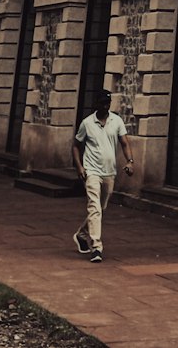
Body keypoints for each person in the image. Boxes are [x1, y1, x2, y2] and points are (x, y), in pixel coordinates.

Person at [72, 88, 134, 263]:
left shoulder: (117, 121)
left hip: (109, 172)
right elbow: (76, 145)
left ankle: (81, 234)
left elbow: (124, 143)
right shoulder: (87, 123)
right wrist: (79, 167)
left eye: (108, 103)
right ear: (96, 104)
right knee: (94, 207)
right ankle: (96, 247)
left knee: (101, 207)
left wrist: (130, 161)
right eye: (103, 103)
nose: (106, 106)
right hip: (91, 171)